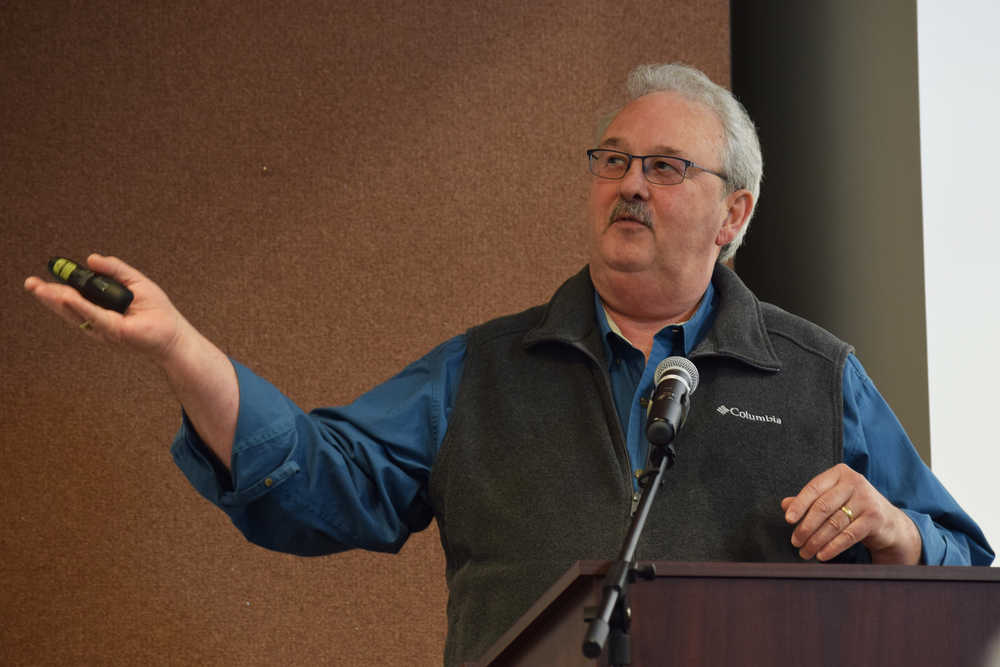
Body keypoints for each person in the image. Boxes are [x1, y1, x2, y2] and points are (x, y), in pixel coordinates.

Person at [24, 63, 993, 665]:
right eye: (611, 161)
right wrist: (182, 352)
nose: (628, 186)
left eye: (664, 168)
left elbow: (965, 574)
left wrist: (901, 531)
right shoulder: (484, 371)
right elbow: (319, 479)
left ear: (733, 214)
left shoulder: (815, 373)